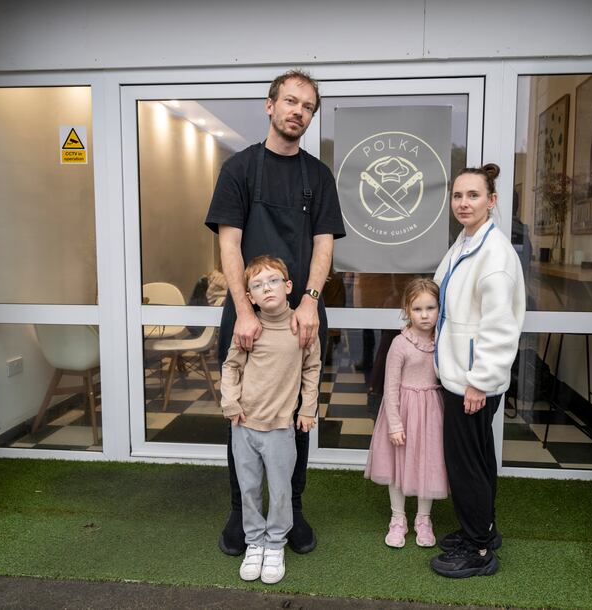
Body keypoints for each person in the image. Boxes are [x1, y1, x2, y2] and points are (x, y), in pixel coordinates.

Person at [205, 69, 346, 556]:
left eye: (307, 107)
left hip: (300, 315)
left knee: (298, 415)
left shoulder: (318, 177)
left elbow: (324, 246)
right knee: (241, 414)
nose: (297, 112)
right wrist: (244, 310)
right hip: (247, 316)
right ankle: (239, 510)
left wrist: (309, 300)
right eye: (290, 102)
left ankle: (294, 509)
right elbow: (230, 246)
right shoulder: (239, 170)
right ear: (270, 105)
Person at [430, 164, 526, 578]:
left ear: (492, 200)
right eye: (457, 196)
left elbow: (500, 328)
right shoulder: (466, 243)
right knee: (480, 457)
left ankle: (478, 551)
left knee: (465, 464)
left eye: (473, 195)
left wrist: (479, 383)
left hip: (471, 382)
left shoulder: (495, 255)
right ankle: (483, 529)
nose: (463, 203)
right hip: (462, 376)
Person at [221, 255, 321, 584]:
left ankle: (276, 543)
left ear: (288, 286)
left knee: (280, 491)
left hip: (280, 429)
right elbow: (231, 367)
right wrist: (230, 402)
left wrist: (307, 409)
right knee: (248, 489)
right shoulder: (249, 328)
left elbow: (312, 369)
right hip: (244, 426)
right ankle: (255, 543)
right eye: (258, 285)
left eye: (273, 281)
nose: (267, 288)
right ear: (249, 297)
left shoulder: (302, 327)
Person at [364, 278, 447, 548]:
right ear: (407, 310)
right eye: (417, 309)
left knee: (428, 463)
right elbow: (390, 387)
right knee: (397, 465)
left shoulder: (442, 342)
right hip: (403, 412)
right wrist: (395, 424)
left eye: (430, 308)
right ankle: (398, 518)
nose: (424, 315)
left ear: (440, 308)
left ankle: (424, 519)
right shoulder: (400, 343)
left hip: (430, 413)